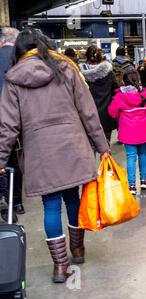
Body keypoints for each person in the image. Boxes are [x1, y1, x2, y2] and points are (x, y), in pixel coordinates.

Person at [0, 28, 110, 283]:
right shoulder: (66, 68)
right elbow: (88, 111)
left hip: (40, 151)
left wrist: (1, 158)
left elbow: (8, 125)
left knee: (50, 205)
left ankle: (60, 266)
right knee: (73, 199)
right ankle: (78, 249)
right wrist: (102, 146)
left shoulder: (14, 79)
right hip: (72, 144)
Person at [108, 70, 146, 195]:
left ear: (123, 82)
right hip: (143, 131)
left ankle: (132, 185)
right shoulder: (144, 95)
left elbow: (112, 112)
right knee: (143, 154)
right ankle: (144, 180)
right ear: (138, 80)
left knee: (131, 157)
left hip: (128, 132)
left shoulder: (119, 97)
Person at [0, 27, 24, 224]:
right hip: (17, 116)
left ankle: (2, 198)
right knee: (16, 158)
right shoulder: (21, 60)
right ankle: (16, 202)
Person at [79, 45, 119, 143]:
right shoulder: (108, 72)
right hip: (106, 113)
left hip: (87, 114)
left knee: (90, 145)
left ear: (87, 56)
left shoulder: (80, 73)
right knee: (105, 145)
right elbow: (116, 89)